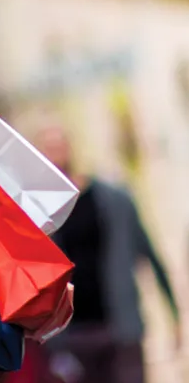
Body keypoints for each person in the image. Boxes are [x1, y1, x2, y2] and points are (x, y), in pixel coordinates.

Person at [32, 126, 180, 383]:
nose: (55, 156)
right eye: (48, 149)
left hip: (120, 326)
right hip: (73, 336)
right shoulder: (39, 216)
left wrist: (174, 315)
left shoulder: (115, 200)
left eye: (59, 147)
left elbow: (150, 254)